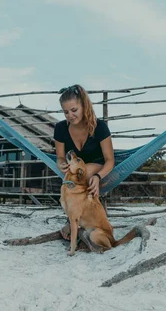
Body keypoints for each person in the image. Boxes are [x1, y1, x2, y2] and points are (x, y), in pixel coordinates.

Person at [54, 84, 115, 240]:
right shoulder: (60, 128)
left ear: (84, 105)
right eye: (66, 112)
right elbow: (59, 157)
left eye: (74, 110)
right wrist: (61, 164)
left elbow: (110, 160)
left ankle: (76, 221)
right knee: (71, 178)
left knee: (85, 172)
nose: (70, 115)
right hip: (74, 169)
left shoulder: (99, 127)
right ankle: (76, 220)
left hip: (98, 167)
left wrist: (98, 177)